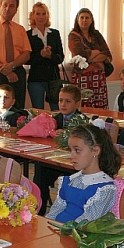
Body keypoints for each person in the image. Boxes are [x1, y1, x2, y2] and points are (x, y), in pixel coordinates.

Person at [33, 84, 83, 213]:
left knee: (72, 183)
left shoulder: (82, 121)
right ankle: (39, 212)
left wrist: (68, 136)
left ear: (77, 104)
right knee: (40, 172)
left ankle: (69, 212)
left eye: (68, 101)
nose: (63, 104)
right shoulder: (54, 120)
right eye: (60, 100)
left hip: (74, 164)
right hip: (55, 160)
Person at [68, 8, 112, 109]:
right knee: (84, 105)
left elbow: (107, 54)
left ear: (91, 20)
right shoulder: (73, 35)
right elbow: (80, 55)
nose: (84, 20)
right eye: (82, 18)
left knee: (100, 106)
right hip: (82, 76)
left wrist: (90, 58)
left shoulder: (96, 34)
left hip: (99, 76)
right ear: (77, 20)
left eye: (87, 18)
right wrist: (97, 53)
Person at [26, 2, 65, 110]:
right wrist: (41, 55)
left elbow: (60, 57)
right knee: (38, 111)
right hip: (36, 79)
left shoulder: (55, 33)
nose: (41, 17)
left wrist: (50, 56)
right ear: (33, 15)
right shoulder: (28, 35)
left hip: (53, 79)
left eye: (44, 14)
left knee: (57, 110)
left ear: (47, 15)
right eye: (38, 14)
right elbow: (26, 59)